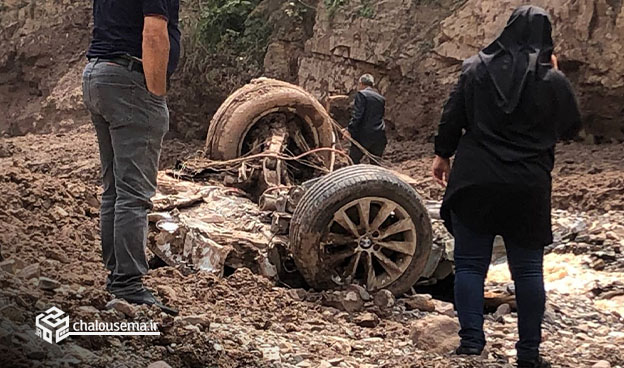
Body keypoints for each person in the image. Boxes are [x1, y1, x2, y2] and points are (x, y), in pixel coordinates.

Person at [431, 6, 581, 368]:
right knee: (528, 271)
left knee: (469, 266)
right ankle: (528, 353)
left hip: (475, 178)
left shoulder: (474, 68)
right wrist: (555, 83)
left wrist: (442, 154)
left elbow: (453, 117)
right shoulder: (552, 79)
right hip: (526, 184)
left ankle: (470, 345)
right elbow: (572, 128)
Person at [82, 0, 181, 315]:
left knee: (115, 189)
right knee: (134, 194)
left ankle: (118, 277)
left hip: (99, 73)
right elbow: (154, 31)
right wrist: (155, 94)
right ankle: (128, 285)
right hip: (129, 78)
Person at [344, 74, 387, 164]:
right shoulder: (381, 98)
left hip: (363, 135)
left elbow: (358, 115)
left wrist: (349, 130)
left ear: (361, 84)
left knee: (353, 161)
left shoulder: (361, 94)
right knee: (375, 164)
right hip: (379, 135)